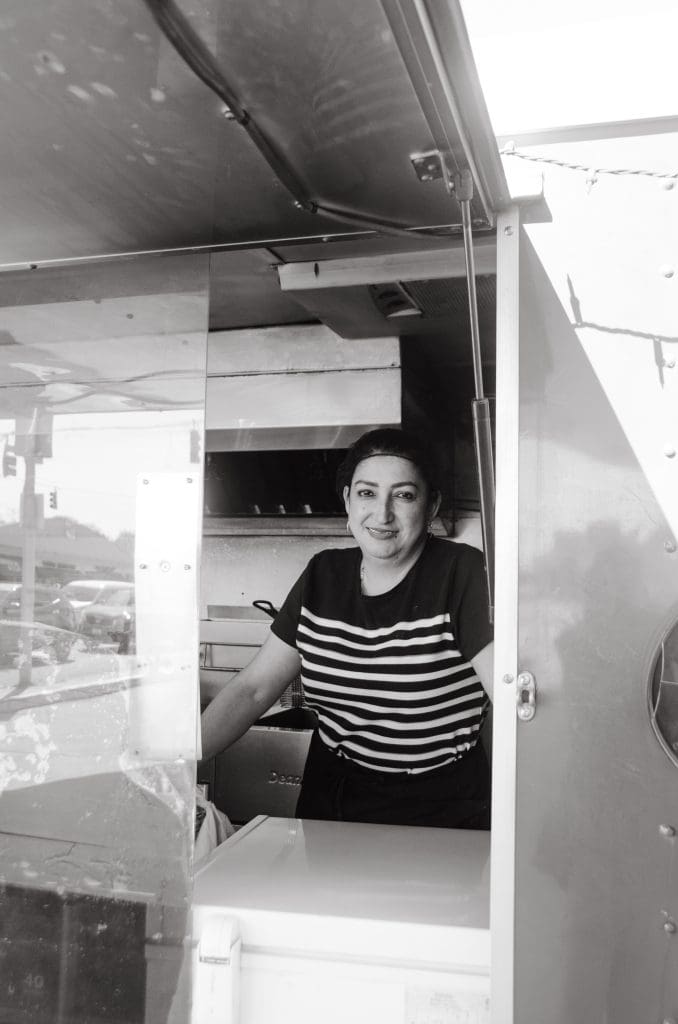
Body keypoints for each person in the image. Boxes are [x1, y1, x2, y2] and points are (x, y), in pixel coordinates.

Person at [201, 428, 494, 829]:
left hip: (441, 805)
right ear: (347, 501)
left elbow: (510, 698)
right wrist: (179, 762)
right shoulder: (324, 574)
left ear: (432, 505)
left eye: (404, 495)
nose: (383, 513)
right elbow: (254, 689)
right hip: (334, 797)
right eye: (367, 493)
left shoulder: (463, 574)